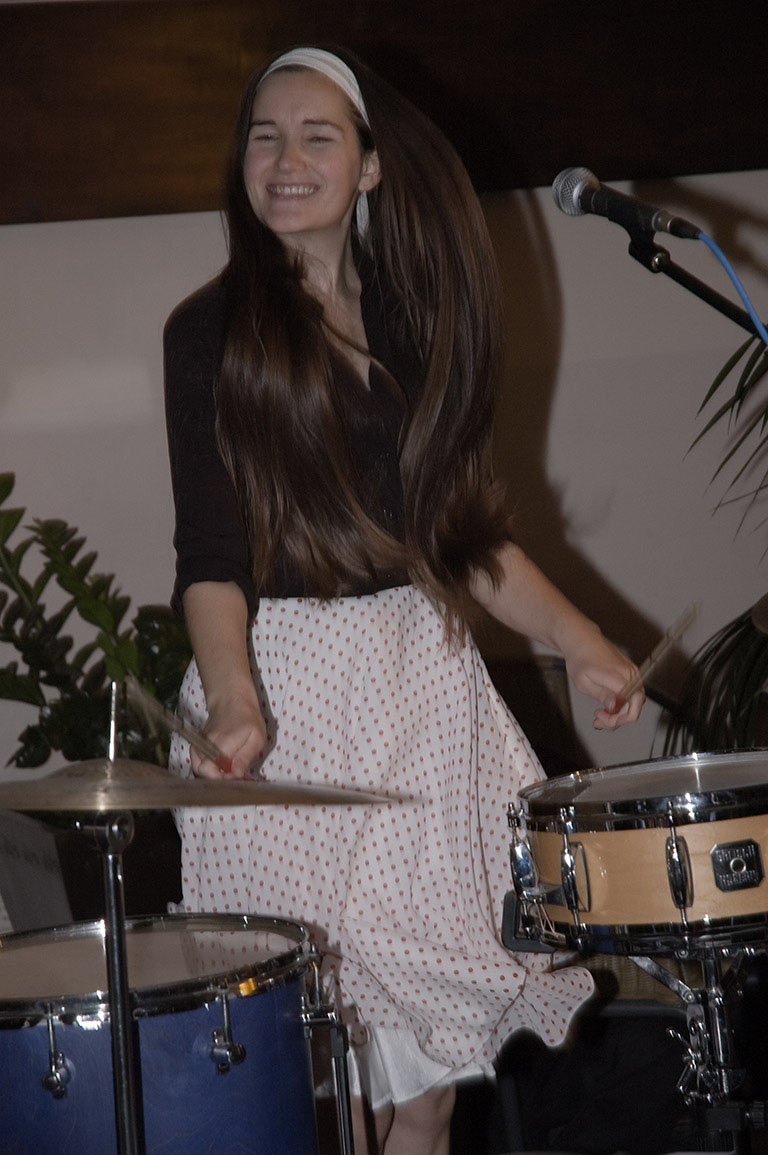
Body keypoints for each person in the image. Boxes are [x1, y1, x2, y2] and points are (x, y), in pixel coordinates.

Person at [164, 45, 644, 1155]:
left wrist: (580, 640)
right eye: (263, 136)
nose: (284, 159)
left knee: (427, 1084)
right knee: (327, 1078)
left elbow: (463, 539)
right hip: (287, 696)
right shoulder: (209, 331)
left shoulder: (412, 326)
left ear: (370, 166)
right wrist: (234, 699)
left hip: (421, 700)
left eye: (315, 135)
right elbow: (209, 554)